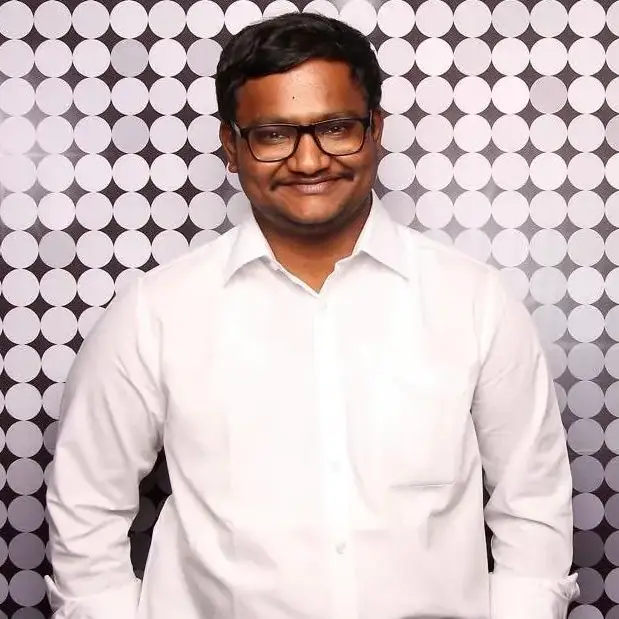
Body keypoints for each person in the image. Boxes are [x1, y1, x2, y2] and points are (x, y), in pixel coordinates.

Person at [45, 11, 579, 619]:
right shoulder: (155, 312)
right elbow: (86, 509)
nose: (308, 161)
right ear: (230, 147)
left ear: (376, 130)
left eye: (335, 127)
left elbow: (533, 507)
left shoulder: (475, 301)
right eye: (273, 134)